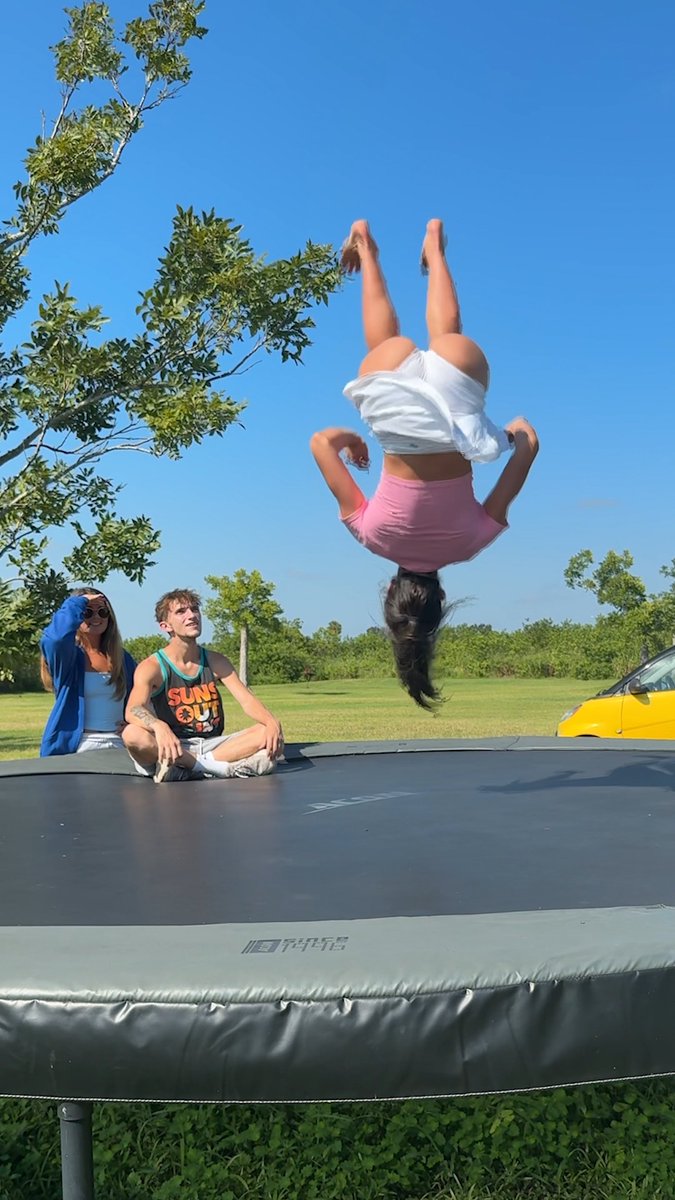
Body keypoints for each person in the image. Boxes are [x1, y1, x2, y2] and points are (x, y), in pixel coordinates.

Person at [310, 218, 539, 709]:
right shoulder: (372, 535)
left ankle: (435, 252)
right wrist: (352, 441)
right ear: (392, 586)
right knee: (383, 344)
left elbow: (525, 455)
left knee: (447, 333)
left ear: (440, 595)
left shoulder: (470, 545)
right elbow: (319, 444)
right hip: (395, 411)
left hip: (458, 408)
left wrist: (519, 434)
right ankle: (367, 250)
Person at [122, 588, 284, 783]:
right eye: (181, 612)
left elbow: (247, 701)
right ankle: (220, 768)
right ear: (165, 626)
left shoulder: (216, 660)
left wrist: (272, 722)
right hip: (173, 745)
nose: (192, 615)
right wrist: (159, 726)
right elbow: (133, 710)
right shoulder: (152, 666)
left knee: (267, 731)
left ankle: (194, 767)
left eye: (195, 609)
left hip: (213, 747)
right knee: (132, 735)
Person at [40, 589, 136, 756]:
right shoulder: (69, 657)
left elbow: (140, 697)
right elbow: (55, 639)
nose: (96, 617)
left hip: (121, 743)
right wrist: (77, 603)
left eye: (102, 611)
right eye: (87, 612)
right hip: (79, 745)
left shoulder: (122, 657)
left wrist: (134, 725)